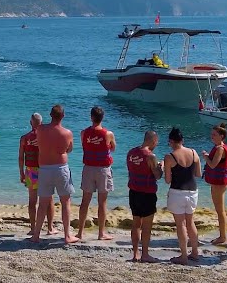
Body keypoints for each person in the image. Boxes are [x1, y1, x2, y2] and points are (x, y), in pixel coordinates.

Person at [30, 104, 79, 245]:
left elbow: (35, 123)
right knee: (65, 202)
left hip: (44, 168)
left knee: (43, 203)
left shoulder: (40, 129)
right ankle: (67, 236)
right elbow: (69, 149)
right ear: (63, 116)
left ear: (50, 115)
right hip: (60, 168)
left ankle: (36, 235)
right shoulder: (67, 133)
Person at [76, 106, 117, 241]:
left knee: (85, 201)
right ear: (102, 118)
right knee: (102, 202)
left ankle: (80, 233)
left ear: (91, 117)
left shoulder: (83, 133)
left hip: (88, 168)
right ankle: (101, 233)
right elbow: (113, 148)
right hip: (103, 169)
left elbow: (85, 145)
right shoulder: (108, 134)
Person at [162, 127, 201, 265]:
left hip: (177, 192)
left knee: (180, 225)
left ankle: (184, 256)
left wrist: (163, 167)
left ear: (171, 141)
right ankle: (195, 253)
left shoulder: (169, 157)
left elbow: (167, 180)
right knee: (191, 222)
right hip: (192, 191)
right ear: (182, 140)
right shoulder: (193, 152)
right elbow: (198, 174)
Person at [126, 130, 163, 262]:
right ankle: (145, 254)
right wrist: (161, 167)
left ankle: (135, 254)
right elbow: (157, 175)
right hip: (147, 193)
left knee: (136, 223)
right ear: (153, 141)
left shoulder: (131, 153)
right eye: (156, 142)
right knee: (146, 226)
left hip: (134, 191)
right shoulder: (150, 156)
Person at [19, 113, 54, 235]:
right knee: (49, 199)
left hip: (31, 170)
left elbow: (21, 158)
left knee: (32, 200)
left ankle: (33, 228)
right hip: (44, 169)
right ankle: (50, 228)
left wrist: (21, 173)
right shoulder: (46, 137)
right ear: (41, 123)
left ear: (30, 123)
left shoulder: (25, 138)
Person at [202, 123, 227, 246]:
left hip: (219, 183)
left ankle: (223, 237)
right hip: (218, 183)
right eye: (211, 134)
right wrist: (209, 156)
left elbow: (213, 164)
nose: (212, 137)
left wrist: (205, 157)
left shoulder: (220, 148)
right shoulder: (221, 147)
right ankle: (222, 235)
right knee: (219, 210)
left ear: (221, 136)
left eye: (214, 135)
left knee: (220, 211)